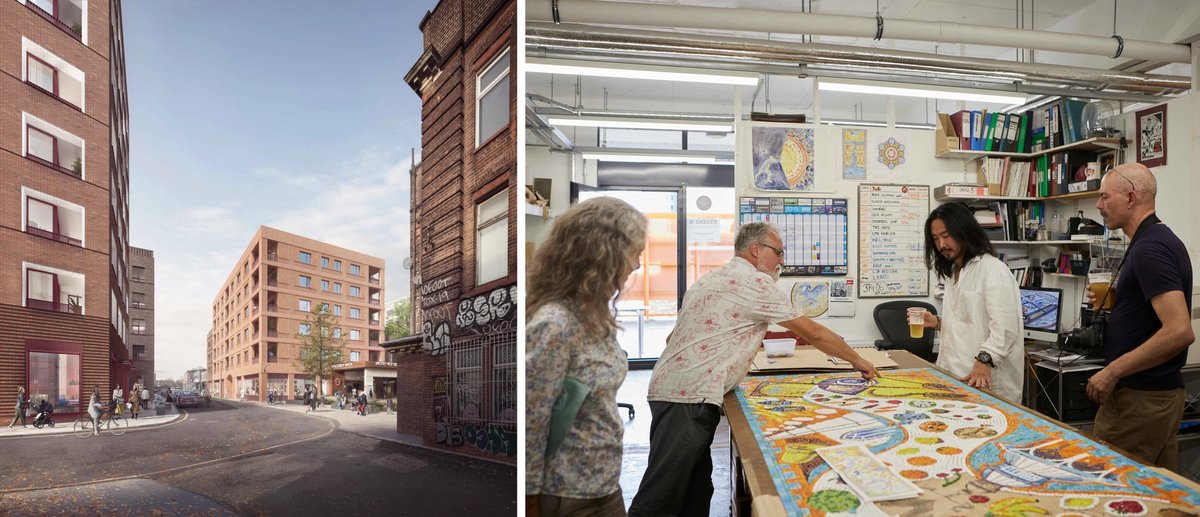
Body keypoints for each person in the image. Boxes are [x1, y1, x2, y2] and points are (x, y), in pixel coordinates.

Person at [628, 222, 879, 517]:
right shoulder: (757, 283)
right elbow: (814, 334)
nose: (782, 261)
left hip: (671, 389)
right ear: (756, 249)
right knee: (661, 494)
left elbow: (674, 337)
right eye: (779, 252)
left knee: (696, 487)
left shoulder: (709, 279)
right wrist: (858, 360)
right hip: (689, 398)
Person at [526, 196, 649, 517]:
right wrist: (529, 502)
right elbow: (532, 422)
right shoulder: (555, 324)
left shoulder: (593, 316)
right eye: (634, 253)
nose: (637, 264)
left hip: (603, 484)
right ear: (603, 254)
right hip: (569, 494)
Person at [1085, 163, 1194, 470]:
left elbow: (1179, 331)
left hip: (1140, 400)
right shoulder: (1157, 239)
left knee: (1111, 488)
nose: (1099, 205)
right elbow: (1154, 315)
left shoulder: (1150, 249)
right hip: (1154, 398)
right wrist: (1119, 305)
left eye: (1105, 197)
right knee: (1158, 496)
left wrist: (1112, 372)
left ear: (1131, 198)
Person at [918, 202, 1023, 403]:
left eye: (946, 236)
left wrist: (985, 360)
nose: (941, 245)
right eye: (936, 239)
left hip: (985, 382)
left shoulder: (993, 270)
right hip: (952, 375)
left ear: (964, 231)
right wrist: (938, 322)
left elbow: (1006, 329)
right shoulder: (952, 272)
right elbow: (970, 321)